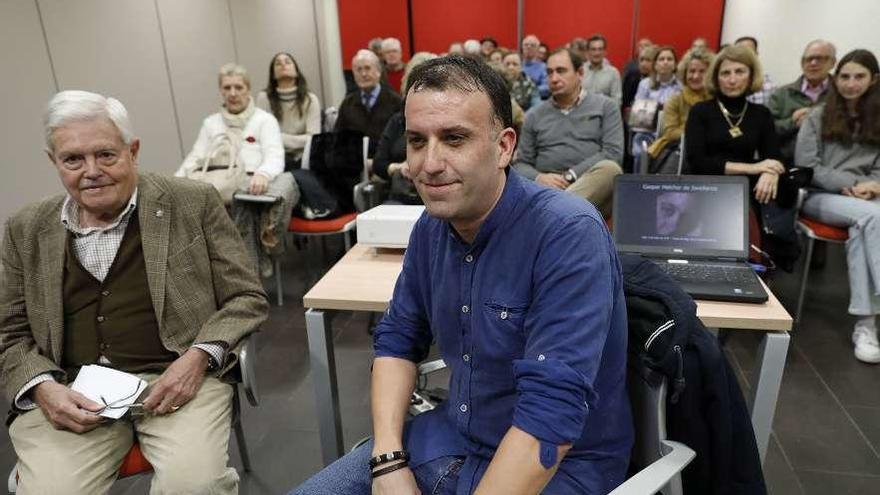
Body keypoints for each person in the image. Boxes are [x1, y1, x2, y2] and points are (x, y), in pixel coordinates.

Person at [290, 54, 632, 495]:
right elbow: (397, 338)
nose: (429, 164)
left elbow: (550, 418)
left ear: (505, 147)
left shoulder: (567, 234)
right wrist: (388, 461)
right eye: (416, 141)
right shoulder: (431, 229)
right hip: (451, 439)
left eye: (454, 139)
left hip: (554, 468)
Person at [0, 90, 269, 494]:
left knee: (195, 487)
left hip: (177, 378)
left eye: (106, 155)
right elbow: (10, 332)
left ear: (133, 150)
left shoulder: (191, 202)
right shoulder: (25, 229)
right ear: (54, 162)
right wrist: (44, 388)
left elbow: (246, 297)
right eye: (73, 159)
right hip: (71, 390)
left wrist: (197, 359)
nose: (91, 171)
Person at [795, 49, 880, 363]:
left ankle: (866, 324)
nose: (851, 83)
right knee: (873, 217)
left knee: (866, 223)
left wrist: (874, 185)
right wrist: (853, 184)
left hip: (869, 202)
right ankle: (868, 324)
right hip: (821, 197)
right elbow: (807, 167)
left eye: (859, 76)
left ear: (873, 81)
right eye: (845, 76)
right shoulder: (817, 116)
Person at [177, 63, 298, 278]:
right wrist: (175, 183)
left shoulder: (264, 120)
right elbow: (195, 158)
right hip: (219, 187)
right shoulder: (211, 123)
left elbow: (275, 157)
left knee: (245, 201)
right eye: (227, 88)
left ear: (248, 90)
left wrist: (263, 174)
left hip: (253, 188)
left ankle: (248, 273)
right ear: (221, 91)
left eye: (238, 87)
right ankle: (239, 272)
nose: (233, 93)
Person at [685, 45, 797, 267]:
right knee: (742, 205)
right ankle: (744, 261)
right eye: (725, 73)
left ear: (751, 75)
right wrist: (755, 168)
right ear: (716, 78)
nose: (732, 79)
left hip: (748, 187)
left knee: (769, 193)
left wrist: (771, 173)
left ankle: (760, 263)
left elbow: (774, 156)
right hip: (707, 183)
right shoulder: (701, 111)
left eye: (739, 72)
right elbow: (698, 161)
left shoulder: (761, 114)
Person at [513, 48, 624, 218]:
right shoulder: (534, 115)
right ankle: (563, 214)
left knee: (611, 169)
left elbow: (613, 152)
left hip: (589, 183)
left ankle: (555, 213)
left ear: (580, 73)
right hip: (545, 187)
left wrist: (572, 175)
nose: (554, 78)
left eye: (561, 71)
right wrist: (539, 177)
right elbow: (521, 164)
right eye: (549, 73)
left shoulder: (606, 106)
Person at [372, 52, 438, 205]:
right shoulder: (397, 121)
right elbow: (379, 164)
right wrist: (399, 168)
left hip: (439, 196)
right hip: (402, 195)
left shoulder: (449, 122)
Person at [769, 40, 837, 163]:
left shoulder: (840, 93)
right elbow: (766, 130)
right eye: (809, 59)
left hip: (830, 165)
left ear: (832, 63)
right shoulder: (781, 94)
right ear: (802, 63)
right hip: (788, 164)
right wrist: (793, 122)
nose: (813, 63)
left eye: (820, 59)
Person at [256, 52, 322, 170]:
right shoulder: (264, 98)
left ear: (296, 71)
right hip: (274, 159)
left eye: (287, 62)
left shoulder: (310, 99)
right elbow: (262, 136)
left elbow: (313, 140)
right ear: (273, 75)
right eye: (278, 63)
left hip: (305, 159)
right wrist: (298, 140)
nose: (283, 65)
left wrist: (279, 137)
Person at [648, 48, 714, 160]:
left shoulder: (716, 99)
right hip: (679, 151)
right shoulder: (675, 99)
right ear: (684, 73)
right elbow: (670, 133)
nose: (696, 76)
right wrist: (700, 131)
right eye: (691, 71)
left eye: (702, 71)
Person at [336, 49, 403, 157]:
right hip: (354, 165)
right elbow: (338, 139)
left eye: (367, 68)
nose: (363, 74)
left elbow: (401, 142)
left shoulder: (395, 102)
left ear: (378, 72)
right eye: (358, 69)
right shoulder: (347, 104)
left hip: (385, 165)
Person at [630, 46, 682, 157]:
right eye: (661, 59)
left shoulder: (681, 87)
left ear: (675, 64)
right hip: (647, 132)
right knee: (641, 151)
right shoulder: (645, 84)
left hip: (670, 135)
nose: (665, 62)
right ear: (655, 64)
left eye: (669, 59)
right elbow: (638, 116)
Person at [582, 34, 622, 105]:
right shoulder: (580, 71)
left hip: (604, 114)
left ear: (605, 52)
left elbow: (617, 101)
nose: (597, 53)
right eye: (593, 49)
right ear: (588, 52)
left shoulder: (613, 73)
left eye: (600, 49)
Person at [735, 36, 775, 106]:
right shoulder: (728, 81)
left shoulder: (768, 85)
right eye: (740, 52)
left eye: (749, 52)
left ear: (756, 54)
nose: (745, 56)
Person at [622, 42, 655, 111]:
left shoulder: (661, 81)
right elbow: (625, 102)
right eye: (641, 60)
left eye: (648, 60)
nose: (644, 64)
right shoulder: (632, 78)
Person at [521, 34, 549, 98]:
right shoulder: (517, 65)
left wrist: (529, 91)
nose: (529, 47)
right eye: (526, 45)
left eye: (532, 45)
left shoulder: (544, 67)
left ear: (538, 49)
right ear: (522, 47)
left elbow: (547, 87)